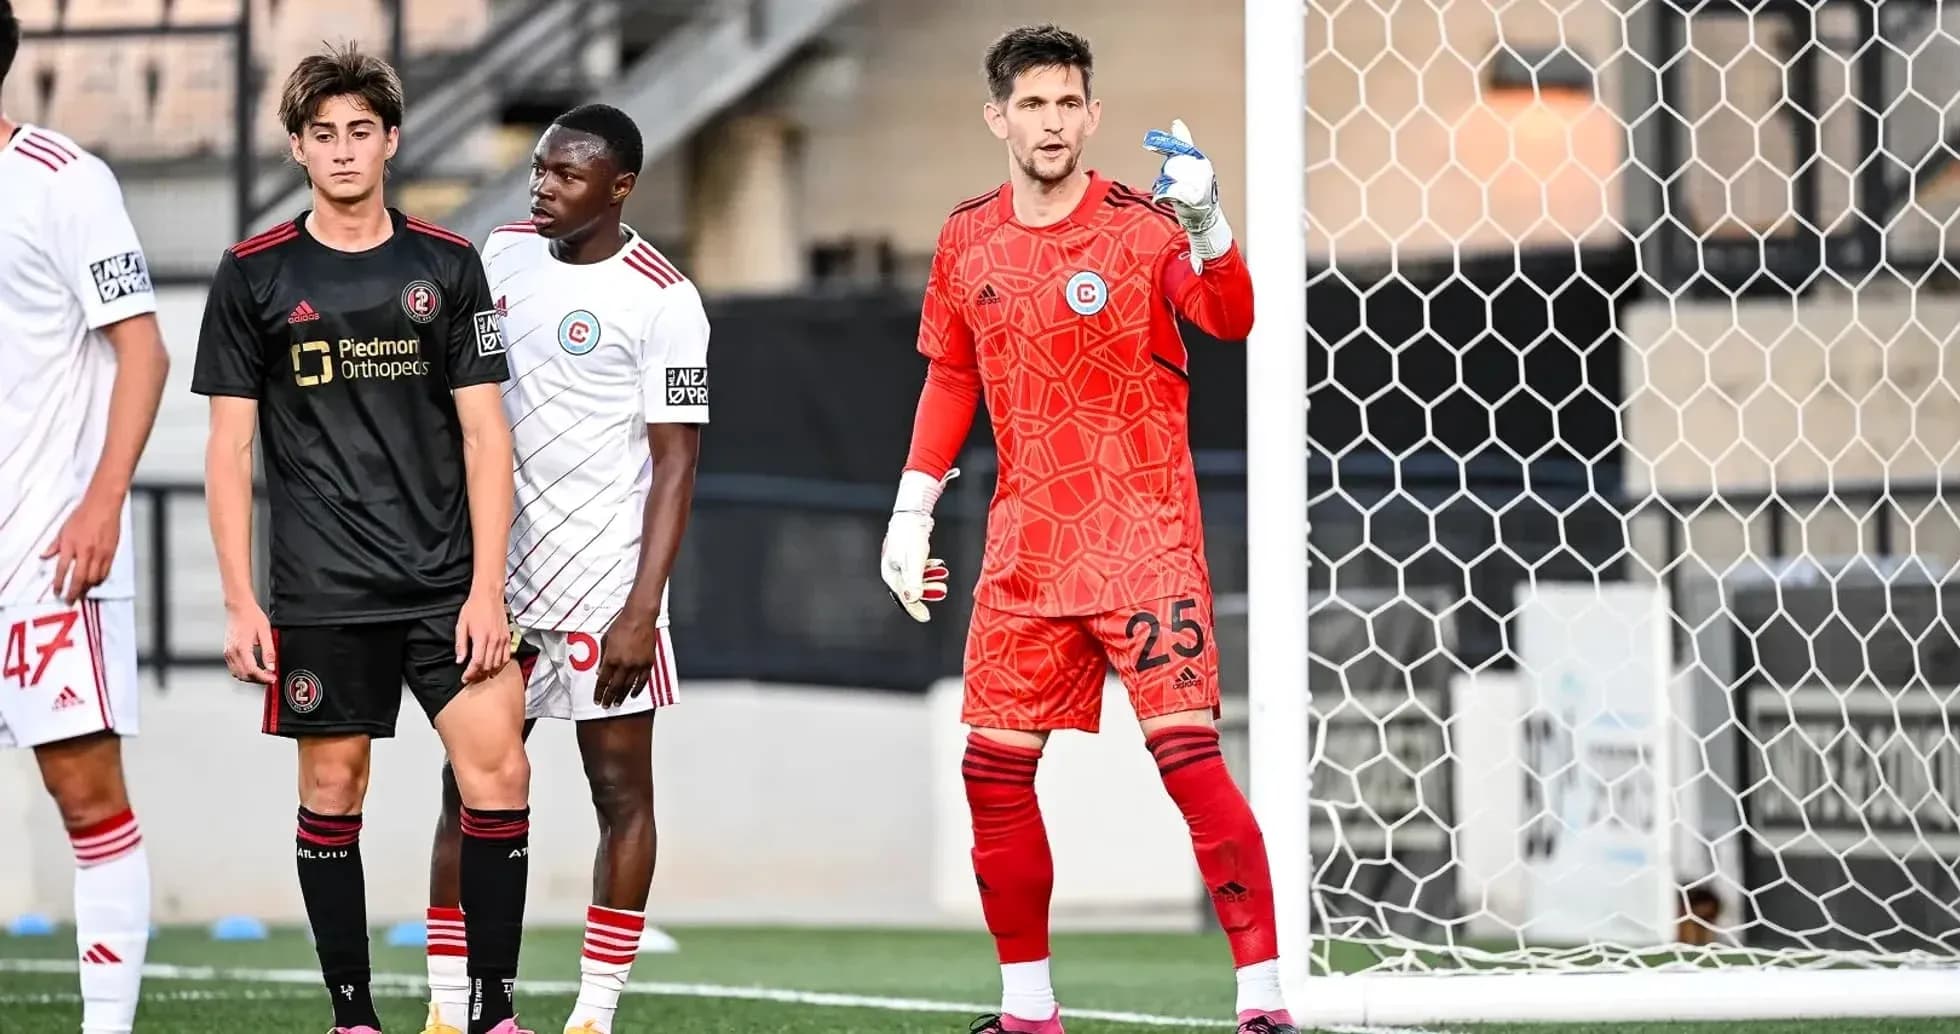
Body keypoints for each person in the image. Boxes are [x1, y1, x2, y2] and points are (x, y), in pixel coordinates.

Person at [877, 25, 1295, 1034]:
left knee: (1191, 764)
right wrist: (911, 507)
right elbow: (950, 375)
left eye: (1068, 104)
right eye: (1032, 104)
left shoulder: (1145, 227)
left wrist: (1209, 223)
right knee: (992, 773)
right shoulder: (964, 236)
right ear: (998, 117)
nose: (1051, 122)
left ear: (1092, 115)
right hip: (1024, 550)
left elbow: (1230, 317)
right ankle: (1028, 1011)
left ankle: (1263, 1003)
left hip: (1144, 541)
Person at [191, 44, 534, 1034]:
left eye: (360, 131)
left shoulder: (447, 265)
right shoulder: (254, 274)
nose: (343, 150)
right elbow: (228, 448)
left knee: (499, 771)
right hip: (322, 592)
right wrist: (240, 598)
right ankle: (354, 1014)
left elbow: (485, 433)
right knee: (334, 789)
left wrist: (487, 589)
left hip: (444, 586)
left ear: (390, 140)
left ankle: (493, 1009)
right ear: (298, 148)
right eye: (322, 134)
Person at [418, 103, 707, 1034]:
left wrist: (640, 610)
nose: (543, 185)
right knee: (469, 787)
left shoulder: (664, 297)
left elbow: (677, 464)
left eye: (567, 174)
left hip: (602, 590)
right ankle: (443, 1005)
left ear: (618, 187)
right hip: (499, 584)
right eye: (540, 167)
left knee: (619, 794)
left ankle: (594, 1011)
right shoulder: (495, 254)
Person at [0, 4, 171, 1030]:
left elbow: (141, 351)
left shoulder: (65, 183)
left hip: (43, 548)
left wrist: (104, 500)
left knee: (85, 795)